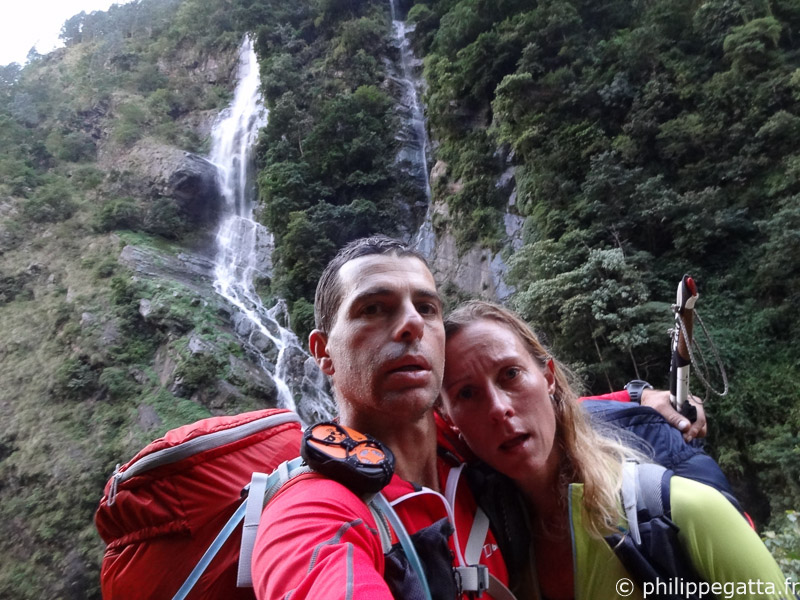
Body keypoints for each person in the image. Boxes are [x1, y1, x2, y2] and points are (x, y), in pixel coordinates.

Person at [251, 235, 707, 600]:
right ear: (322, 352)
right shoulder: (313, 513)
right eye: (374, 308)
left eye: (426, 308)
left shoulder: (463, 442)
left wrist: (636, 396)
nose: (412, 324)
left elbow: (534, 408)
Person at [439, 300, 792, 600]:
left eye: (511, 374)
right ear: (450, 421)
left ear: (548, 377)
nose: (498, 408)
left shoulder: (683, 511)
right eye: (466, 394)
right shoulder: (497, 550)